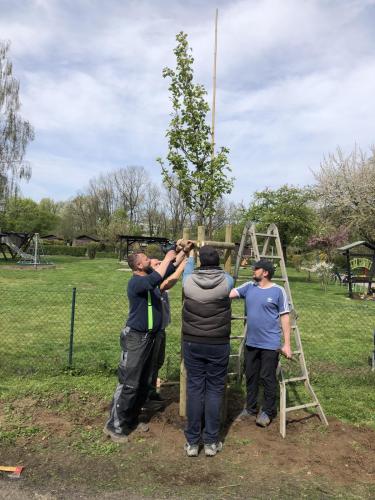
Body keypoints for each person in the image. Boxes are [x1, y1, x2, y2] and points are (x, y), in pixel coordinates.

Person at [103, 249, 177, 443]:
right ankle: (114, 426)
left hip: (150, 337)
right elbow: (155, 279)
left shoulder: (150, 276)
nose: (151, 259)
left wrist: (180, 254)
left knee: (144, 381)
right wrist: (167, 258)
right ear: (138, 265)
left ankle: (132, 420)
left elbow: (169, 271)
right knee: (129, 383)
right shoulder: (136, 281)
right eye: (146, 259)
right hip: (136, 338)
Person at [182, 245, 234, 457]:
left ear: (202, 261)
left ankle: (193, 443)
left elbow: (187, 268)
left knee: (194, 389)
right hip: (218, 342)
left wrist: (192, 256)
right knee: (214, 390)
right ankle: (211, 442)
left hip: (193, 341)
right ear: (218, 260)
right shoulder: (227, 281)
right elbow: (229, 276)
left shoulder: (188, 282)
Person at [229, 259, 292, 427]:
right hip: (252, 342)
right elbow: (229, 293)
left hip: (270, 344)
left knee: (267, 377)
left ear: (265, 272)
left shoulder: (278, 291)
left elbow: (285, 317)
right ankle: (250, 408)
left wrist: (287, 344)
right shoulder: (249, 287)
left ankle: (268, 411)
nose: (253, 270)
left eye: (256, 268)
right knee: (251, 376)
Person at [146, 255, 188, 403]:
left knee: (157, 362)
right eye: (156, 263)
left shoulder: (157, 278)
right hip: (151, 332)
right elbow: (171, 280)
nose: (160, 263)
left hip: (160, 329)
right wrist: (185, 264)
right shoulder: (152, 281)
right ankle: (146, 397)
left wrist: (182, 254)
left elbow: (171, 267)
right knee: (150, 364)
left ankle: (151, 392)